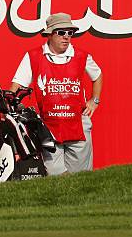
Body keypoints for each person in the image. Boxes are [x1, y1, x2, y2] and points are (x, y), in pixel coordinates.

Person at [9, 13, 103, 175]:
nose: (66, 37)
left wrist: (94, 100)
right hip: (48, 128)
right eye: (61, 32)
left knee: (81, 178)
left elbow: (98, 75)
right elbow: (16, 86)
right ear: (50, 34)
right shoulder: (34, 56)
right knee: (55, 177)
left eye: (70, 33)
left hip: (78, 125)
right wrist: (9, 106)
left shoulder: (81, 56)